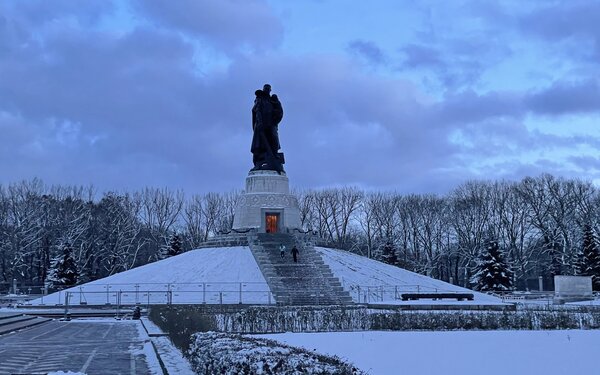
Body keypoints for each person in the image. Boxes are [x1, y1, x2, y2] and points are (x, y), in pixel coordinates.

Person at [251, 84, 284, 172]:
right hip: (261, 124)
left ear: (270, 90)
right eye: (265, 88)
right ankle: (258, 162)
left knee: (274, 138)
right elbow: (255, 110)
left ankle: (275, 155)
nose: (267, 90)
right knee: (260, 143)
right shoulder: (259, 99)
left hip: (271, 124)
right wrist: (259, 121)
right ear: (263, 89)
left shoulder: (273, 100)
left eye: (268, 89)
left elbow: (280, 111)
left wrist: (275, 116)